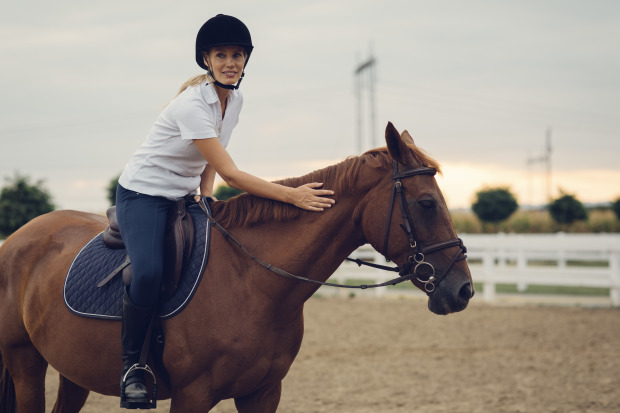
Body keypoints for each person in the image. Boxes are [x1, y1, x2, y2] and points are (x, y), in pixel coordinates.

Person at [115, 14, 335, 408]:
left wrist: (205, 193)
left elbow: (214, 159)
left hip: (184, 195)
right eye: (222, 55)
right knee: (147, 271)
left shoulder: (233, 99)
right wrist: (292, 196)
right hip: (143, 195)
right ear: (206, 60)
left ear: (245, 60)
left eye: (237, 55)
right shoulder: (190, 105)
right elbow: (233, 169)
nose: (230, 62)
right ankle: (134, 366)